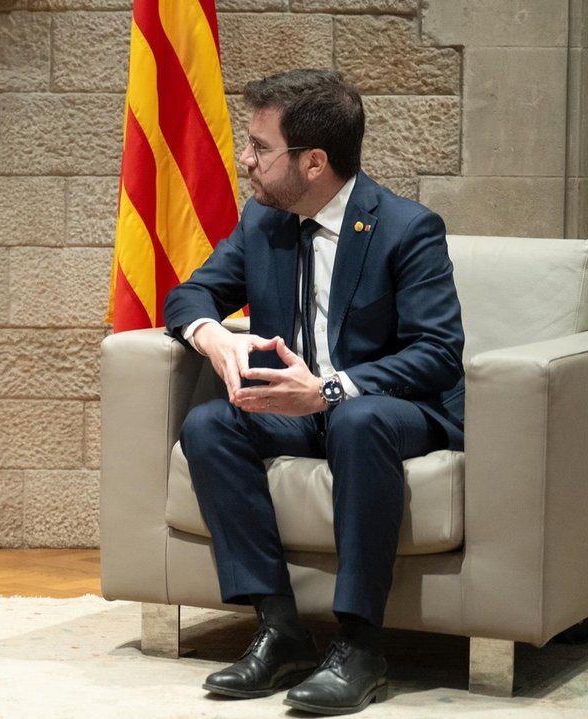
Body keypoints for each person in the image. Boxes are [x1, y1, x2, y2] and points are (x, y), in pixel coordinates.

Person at [164, 69, 464, 716]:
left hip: (388, 410)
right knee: (211, 424)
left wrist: (328, 388)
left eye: (260, 148)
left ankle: (360, 646)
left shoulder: (406, 229)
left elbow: (437, 353)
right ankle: (280, 630)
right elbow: (189, 294)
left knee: (356, 422)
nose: (246, 160)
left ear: (314, 162)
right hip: (296, 412)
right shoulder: (263, 224)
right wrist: (212, 335)